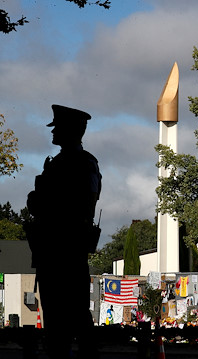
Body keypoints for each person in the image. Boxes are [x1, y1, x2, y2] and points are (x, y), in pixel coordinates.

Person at [26, 104, 102, 358]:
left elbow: (85, 205)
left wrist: (41, 201)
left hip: (67, 251)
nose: (53, 133)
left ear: (71, 131)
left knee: (76, 316)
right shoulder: (58, 163)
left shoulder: (83, 164)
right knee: (55, 320)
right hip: (52, 251)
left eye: (57, 128)